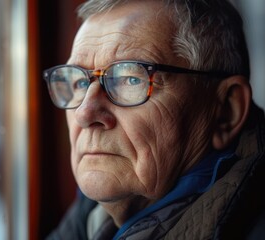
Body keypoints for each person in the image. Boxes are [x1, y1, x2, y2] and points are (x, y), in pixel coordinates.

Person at [43, 0, 265, 239]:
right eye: (79, 82)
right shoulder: (89, 219)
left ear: (226, 112)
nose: (85, 113)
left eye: (131, 78)